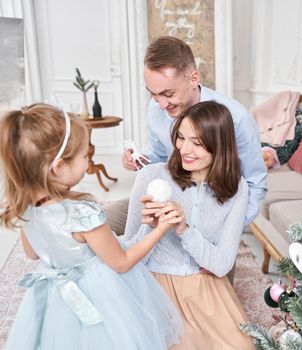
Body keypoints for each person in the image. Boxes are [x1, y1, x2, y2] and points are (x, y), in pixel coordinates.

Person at [0, 104, 183, 350]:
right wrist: (161, 229)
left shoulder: (27, 206)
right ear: (58, 167)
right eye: (84, 156)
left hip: (56, 299)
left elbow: (33, 253)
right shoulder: (81, 213)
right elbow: (121, 262)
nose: (88, 163)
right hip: (99, 295)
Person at [124, 101, 255, 349]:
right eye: (181, 138)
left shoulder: (238, 188)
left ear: (220, 145)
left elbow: (222, 264)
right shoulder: (151, 176)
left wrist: (184, 230)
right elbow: (127, 255)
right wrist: (151, 227)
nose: (185, 149)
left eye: (197, 143)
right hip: (154, 286)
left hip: (203, 286)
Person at [111, 35, 267, 235]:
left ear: (193, 79)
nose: (160, 104)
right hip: (169, 200)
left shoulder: (237, 119)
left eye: (168, 94)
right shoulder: (156, 107)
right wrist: (139, 159)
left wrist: (229, 232)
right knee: (99, 223)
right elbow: (159, 156)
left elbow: (256, 183)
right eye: (153, 93)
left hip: (211, 213)